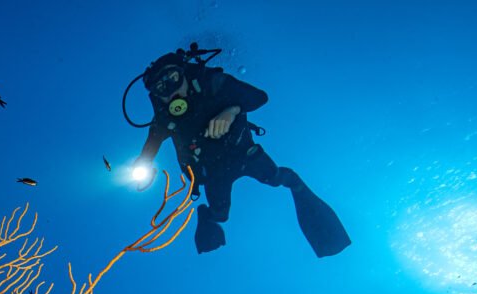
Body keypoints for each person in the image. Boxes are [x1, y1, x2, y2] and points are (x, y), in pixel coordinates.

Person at [130, 47, 350, 257]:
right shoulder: (164, 118)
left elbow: (260, 97)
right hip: (213, 171)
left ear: (184, 74)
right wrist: (143, 163)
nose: (171, 92)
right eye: (161, 89)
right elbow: (150, 146)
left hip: (243, 153)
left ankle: (314, 214)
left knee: (278, 178)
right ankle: (206, 217)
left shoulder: (213, 83)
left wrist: (232, 110)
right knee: (220, 215)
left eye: (173, 79)